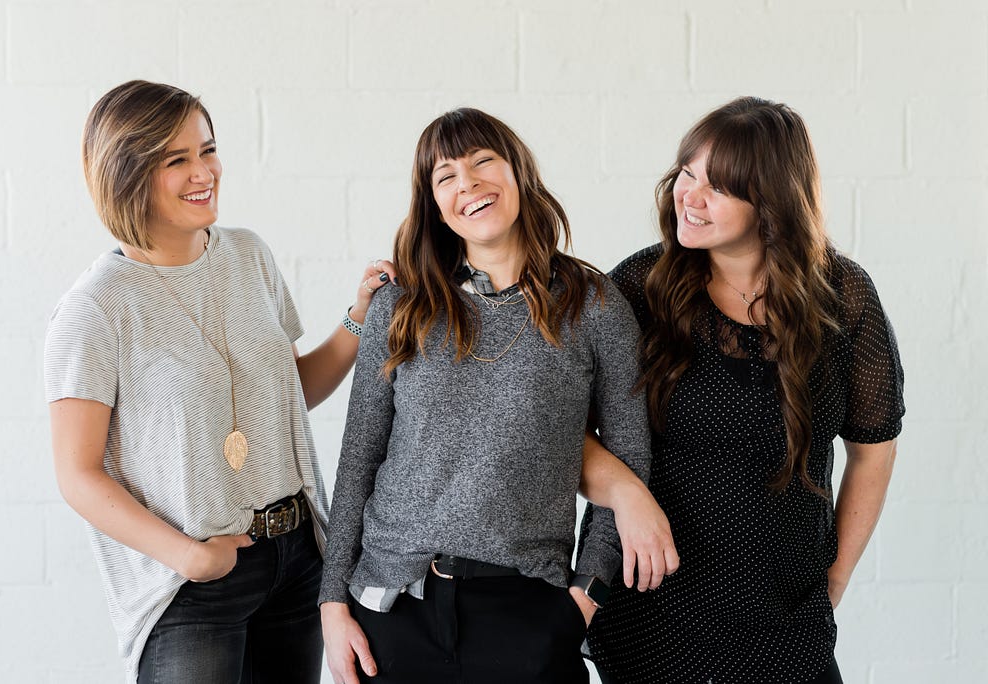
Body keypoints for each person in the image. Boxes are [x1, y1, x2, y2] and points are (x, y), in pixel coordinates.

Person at [44, 80, 395, 684]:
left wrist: (358, 318)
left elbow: (289, 396)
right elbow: (77, 475)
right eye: (175, 160)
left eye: (207, 150)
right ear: (126, 174)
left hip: (296, 560)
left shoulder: (248, 255)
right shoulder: (96, 308)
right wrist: (189, 557)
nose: (203, 171)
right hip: (191, 584)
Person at [318, 107, 678, 684]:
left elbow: (630, 461)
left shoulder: (595, 305)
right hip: (390, 611)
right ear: (434, 204)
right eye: (447, 176)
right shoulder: (402, 306)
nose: (469, 184)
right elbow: (360, 455)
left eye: (484, 161)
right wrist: (333, 604)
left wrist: (581, 603)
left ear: (519, 174)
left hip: (529, 615)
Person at [580, 96, 905, 683]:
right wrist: (626, 493)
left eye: (720, 187)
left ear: (773, 203)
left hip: (785, 617)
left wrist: (835, 578)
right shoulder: (637, 287)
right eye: (687, 173)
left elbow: (874, 448)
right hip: (652, 613)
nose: (690, 196)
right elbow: (552, 427)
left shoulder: (844, 296)